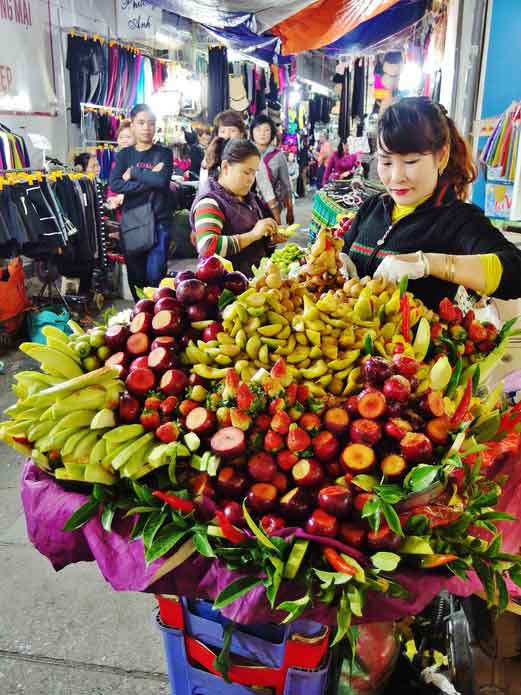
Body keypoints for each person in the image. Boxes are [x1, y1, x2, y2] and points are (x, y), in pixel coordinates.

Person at [343, 97, 521, 310]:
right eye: (386, 161)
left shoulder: (459, 221)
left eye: (411, 161)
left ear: (442, 156)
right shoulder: (372, 208)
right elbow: (343, 252)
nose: (396, 176)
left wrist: (430, 264)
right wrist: (338, 261)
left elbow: (515, 273)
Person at [190, 138, 285, 276]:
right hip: (226, 286)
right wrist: (253, 235)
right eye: (246, 172)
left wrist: (270, 238)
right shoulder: (210, 202)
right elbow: (206, 246)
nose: (251, 179)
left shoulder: (248, 198)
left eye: (254, 173)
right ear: (225, 167)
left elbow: (254, 237)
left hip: (251, 282)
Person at [109, 103, 173, 300]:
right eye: (141, 122)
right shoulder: (124, 155)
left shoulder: (163, 153)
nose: (147, 127)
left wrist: (136, 173)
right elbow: (116, 184)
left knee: (155, 278)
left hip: (159, 221)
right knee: (136, 279)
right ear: (133, 126)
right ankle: (140, 318)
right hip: (132, 223)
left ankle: (158, 320)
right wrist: (149, 178)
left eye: (151, 123)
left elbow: (162, 181)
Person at [250, 114, 294, 226]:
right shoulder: (246, 152)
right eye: (258, 130)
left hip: (272, 207)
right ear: (252, 132)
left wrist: (290, 209)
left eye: (266, 130)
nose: (262, 134)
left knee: (271, 238)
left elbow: (285, 184)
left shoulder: (279, 156)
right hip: (249, 205)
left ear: (272, 133)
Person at [199, 111, 247, 186]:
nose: (227, 135)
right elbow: (203, 184)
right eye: (223, 131)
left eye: (232, 131)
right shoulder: (211, 154)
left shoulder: (248, 154)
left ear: (241, 134)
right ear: (217, 134)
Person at [105, 120, 136, 213]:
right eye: (121, 137)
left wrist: (125, 196)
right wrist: (111, 199)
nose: (124, 140)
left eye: (128, 137)